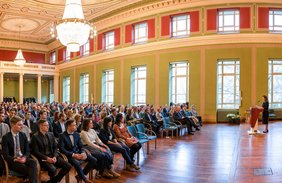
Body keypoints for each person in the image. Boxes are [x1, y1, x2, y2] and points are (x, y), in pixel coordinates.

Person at [2, 116, 37, 183]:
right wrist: (15, 159)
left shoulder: (23, 135)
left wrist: (24, 157)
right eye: (19, 125)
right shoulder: (6, 137)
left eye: (22, 124)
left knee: (33, 162)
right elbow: (5, 154)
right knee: (31, 170)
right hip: (13, 160)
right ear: (12, 125)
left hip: (23, 158)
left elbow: (27, 150)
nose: (22, 127)